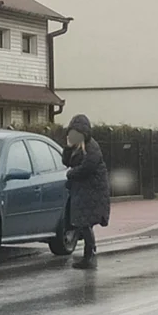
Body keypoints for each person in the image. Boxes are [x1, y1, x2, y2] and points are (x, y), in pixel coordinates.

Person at [62, 114, 110, 270]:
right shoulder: (77, 146)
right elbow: (66, 161)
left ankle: (89, 256)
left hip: (93, 191)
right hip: (82, 190)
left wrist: (71, 173)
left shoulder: (92, 147)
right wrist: (68, 147)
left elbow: (87, 167)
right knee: (82, 222)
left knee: (84, 222)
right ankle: (89, 254)